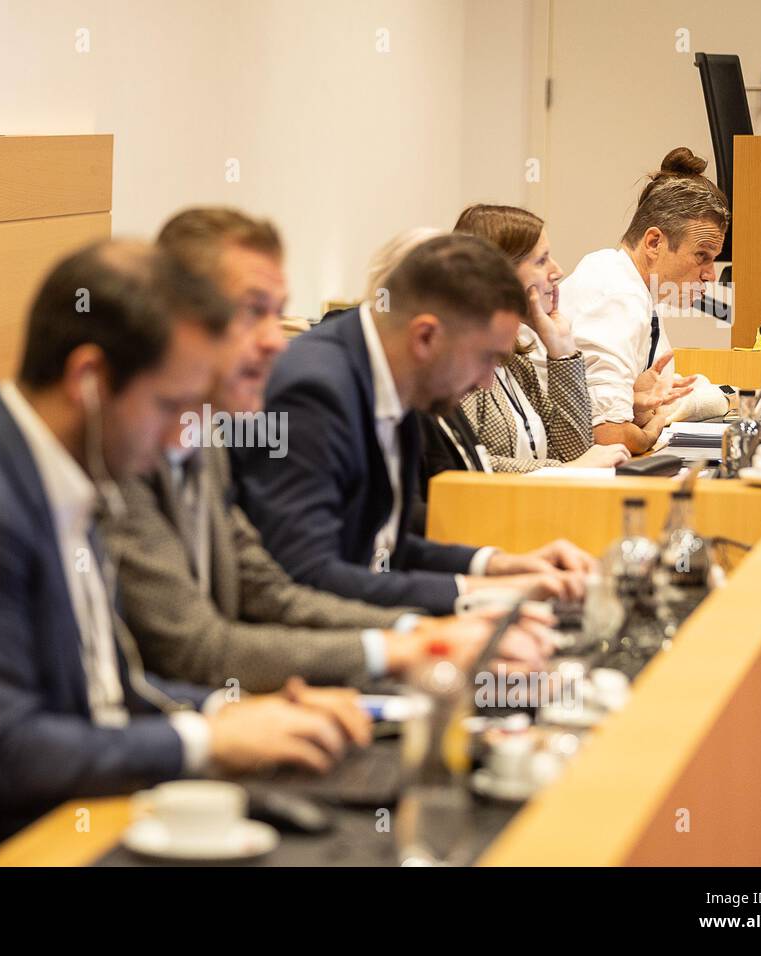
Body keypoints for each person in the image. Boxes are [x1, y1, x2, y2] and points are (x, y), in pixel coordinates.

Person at [0, 240, 369, 864]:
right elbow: (1, 752)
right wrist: (205, 739)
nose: (176, 438)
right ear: (88, 379)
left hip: (101, 809)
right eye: (169, 406)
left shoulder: (68, 474)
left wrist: (238, 710)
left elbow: (108, 694)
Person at [104, 208, 556, 694]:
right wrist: (424, 635)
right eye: (253, 313)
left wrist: (427, 628)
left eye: (277, 314)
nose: (277, 342)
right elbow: (206, 641)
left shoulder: (204, 435)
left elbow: (272, 589)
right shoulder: (132, 447)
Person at [232, 232, 596, 617]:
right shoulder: (314, 389)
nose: (487, 381)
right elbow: (309, 576)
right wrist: (487, 594)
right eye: (487, 358)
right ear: (425, 337)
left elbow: (385, 549)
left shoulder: (398, 378)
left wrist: (500, 565)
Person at [564, 147, 761, 455]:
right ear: (653, 242)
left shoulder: (630, 285)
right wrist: (650, 432)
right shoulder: (615, 296)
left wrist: (743, 400)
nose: (710, 276)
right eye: (702, 256)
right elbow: (609, 435)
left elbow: (662, 397)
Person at [450, 205, 630, 473]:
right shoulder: (457, 364)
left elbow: (575, 449)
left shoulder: (515, 362)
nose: (557, 270)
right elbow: (467, 464)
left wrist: (562, 349)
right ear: (500, 274)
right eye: (541, 260)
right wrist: (564, 472)